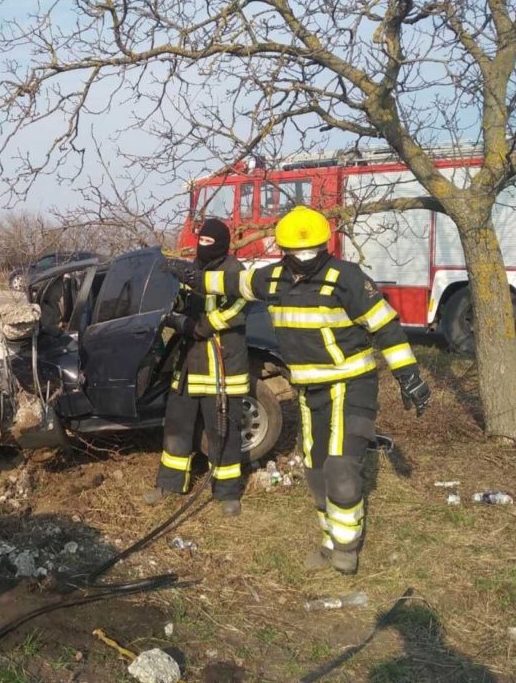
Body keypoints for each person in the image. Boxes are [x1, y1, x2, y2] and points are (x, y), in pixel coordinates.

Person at [166, 206, 430, 574]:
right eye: (296, 252)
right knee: (317, 470)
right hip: (310, 391)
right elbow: (231, 283)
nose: (304, 259)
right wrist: (192, 276)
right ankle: (328, 541)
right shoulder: (273, 278)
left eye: (311, 251)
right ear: (284, 250)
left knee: (340, 468)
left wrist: (409, 375)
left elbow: (385, 326)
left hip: (351, 384)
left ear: (325, 246)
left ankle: (346, 547)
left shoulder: (347, 279)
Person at [145, 219, 250, 517]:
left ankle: (227, 493)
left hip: (222, 368)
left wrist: (204, 326)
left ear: (221, 243)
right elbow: (178, 301)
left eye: (209, 242)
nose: (203, 247)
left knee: (223, 432)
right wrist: (172, 312)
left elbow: (239, 308)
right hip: (188, 365)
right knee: (177, 425)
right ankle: (169, 483)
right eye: (200, 241)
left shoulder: (234, 271)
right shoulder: (191, 269)